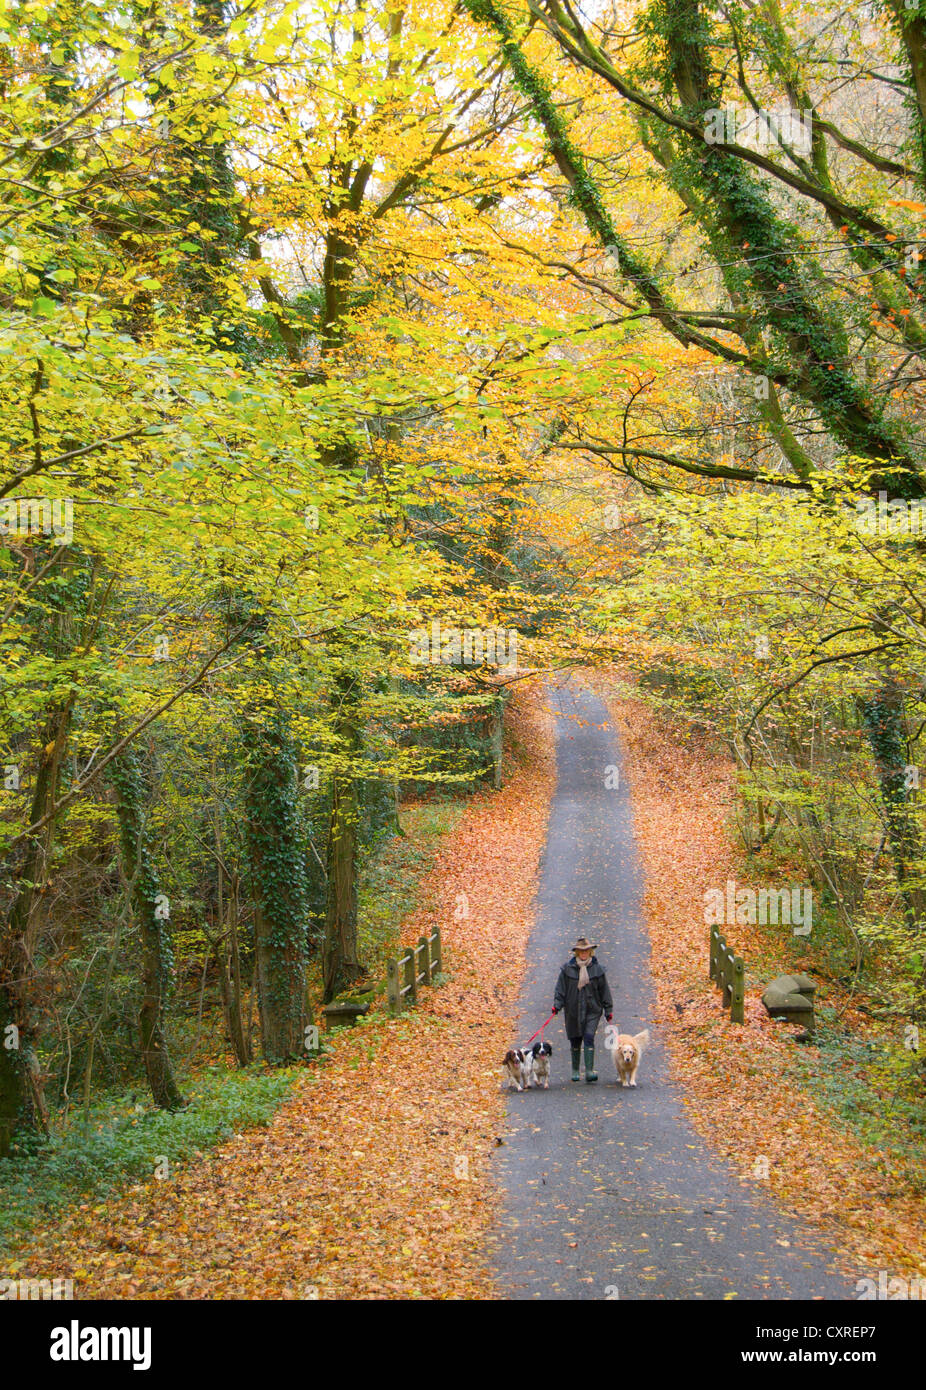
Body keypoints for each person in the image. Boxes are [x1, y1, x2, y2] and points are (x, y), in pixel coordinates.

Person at [552, 936, 613, 1083]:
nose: (584, 953)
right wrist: (557, 1004)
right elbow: (560, 989)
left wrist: (608, 1009)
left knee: (589, 1036)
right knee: (575, 1038)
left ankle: (590, 1071)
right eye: (581, 951)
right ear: (577, 952)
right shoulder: (567, 970)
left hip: (593, 1009)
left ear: (590, 951)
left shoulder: (597, 970)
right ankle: (575, 1070)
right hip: (572, 1009)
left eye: (586, 950)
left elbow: (605, 990)